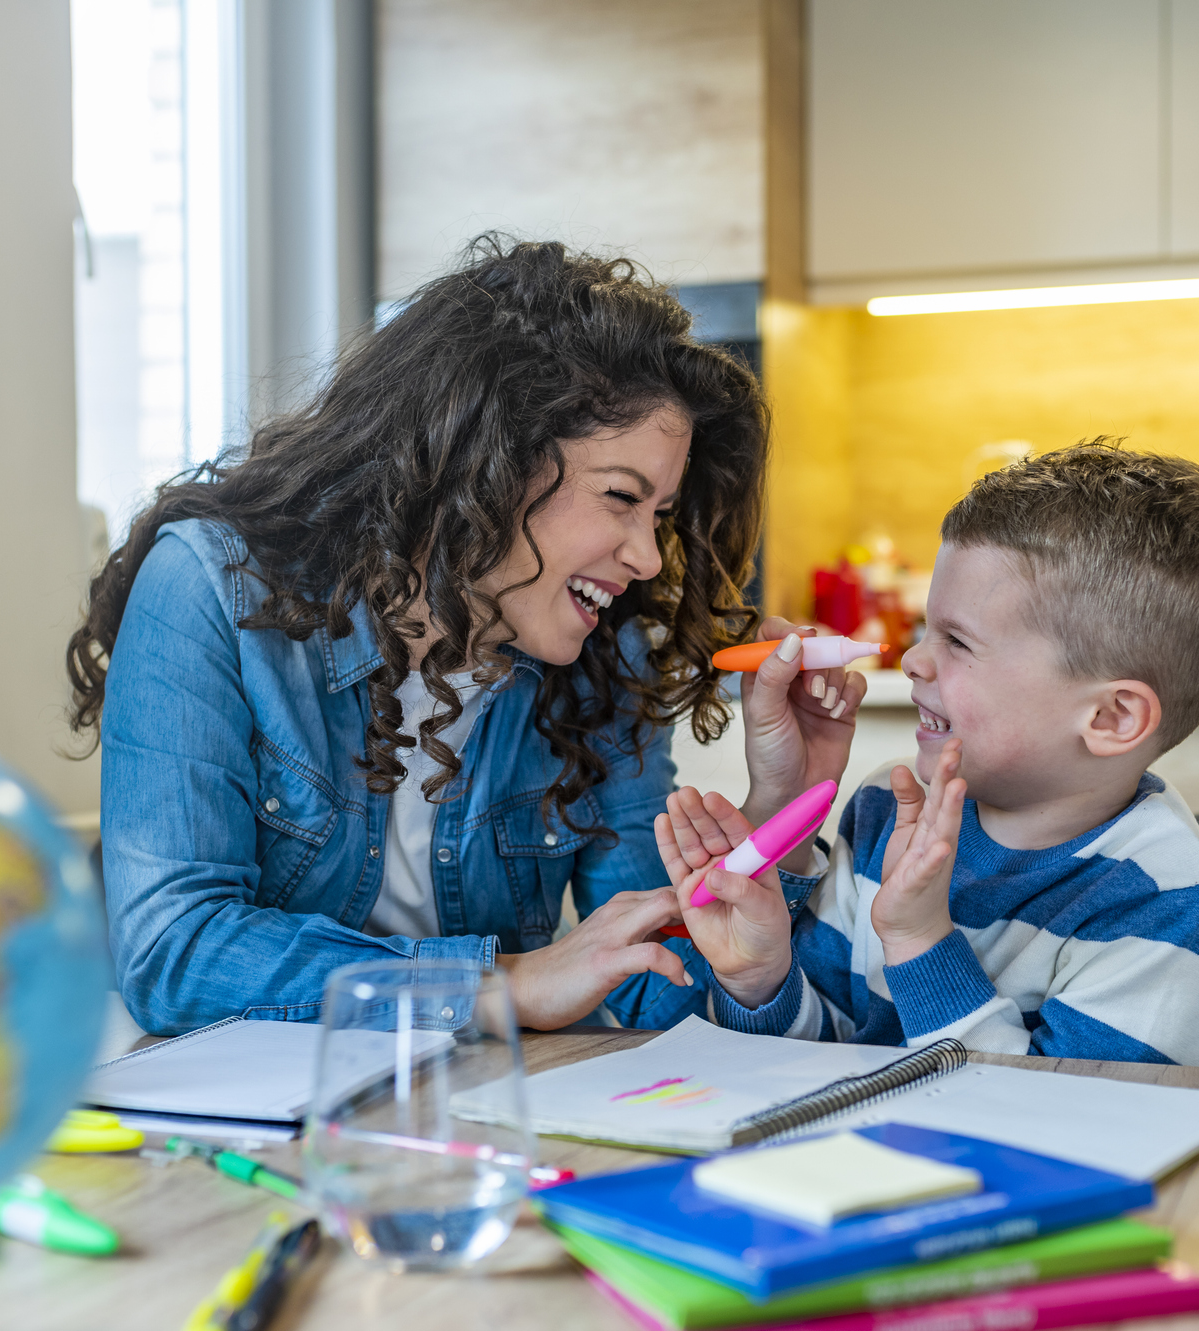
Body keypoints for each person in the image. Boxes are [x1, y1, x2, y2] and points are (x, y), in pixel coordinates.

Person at [66, 239, 865, 1036]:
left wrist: (776, 813)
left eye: (657, 515)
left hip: (481, 1101)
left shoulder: (604, 654)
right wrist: (499, 985)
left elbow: (655, 987)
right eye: (620, 497)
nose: (648, 557)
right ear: (487, 462)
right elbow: (175, 951)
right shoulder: (209, 590)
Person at [657, 440, 1199, 1065]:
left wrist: (920, 940)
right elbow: (822, 1057)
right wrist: (759, 981)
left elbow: (1066, 1114)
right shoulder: (885, 808)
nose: (913, 659)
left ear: (1112, 718)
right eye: (927, 629)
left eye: (957, 641)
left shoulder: (1167, 901)